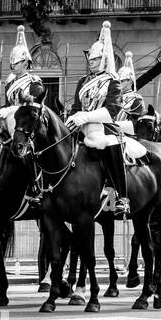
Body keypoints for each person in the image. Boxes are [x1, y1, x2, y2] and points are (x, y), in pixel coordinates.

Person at [67, 20, 129, 217]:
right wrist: (72, 119)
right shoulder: (82, 81)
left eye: (94, 59)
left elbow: (112, 111)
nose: (90, 62)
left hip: (104, 127)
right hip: (81, 126)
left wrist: (85, 117)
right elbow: (76, 107)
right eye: (90, 59)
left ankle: (119, 195)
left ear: (103, 59)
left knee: (110, 144)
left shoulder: (113, 81)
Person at [0, 26, 46, 139]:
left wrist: (11, 109)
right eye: (12, 63)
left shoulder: (34, 83)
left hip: (26, 125)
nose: (13, 66)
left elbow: (35, 110)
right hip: (10, 120)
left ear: (25, 62)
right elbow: (8, 103)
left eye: (16, 63)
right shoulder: (10, 82)